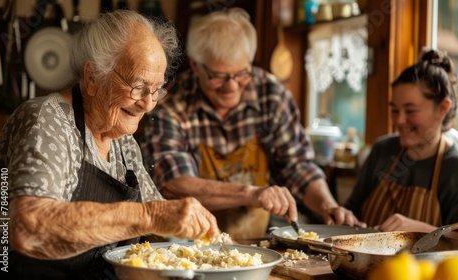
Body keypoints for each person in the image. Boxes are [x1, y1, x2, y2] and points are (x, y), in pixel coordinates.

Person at [0, 10, 220, 279]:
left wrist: (213, 244)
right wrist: (150, 215)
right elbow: (27, 227)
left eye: (156, 90)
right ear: (92, 77)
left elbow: (165, 223)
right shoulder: (47, 121)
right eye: (138, 86)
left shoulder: (123, 143)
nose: (148, 103)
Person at [141, 8, 363, 240]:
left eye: (241, 73)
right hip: (188, 240)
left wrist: (328, 206)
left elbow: (298, 167)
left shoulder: (271, 94)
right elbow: (173, 183)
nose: (232, 86)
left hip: (259, 236)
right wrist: (251, 193)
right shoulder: (171, 104)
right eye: (219, 76)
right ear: (196, 66)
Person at [344, 49, 458, 240]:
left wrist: (424, 230)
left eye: (410, 111)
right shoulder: (382, 149)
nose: (399, 120)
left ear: (442, 109)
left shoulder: (454, 167)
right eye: (395, 110)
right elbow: (352, 210)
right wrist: (346, 217)